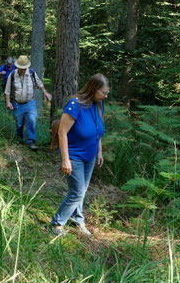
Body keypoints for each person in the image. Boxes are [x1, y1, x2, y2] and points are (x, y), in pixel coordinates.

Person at [50, 73, 109, 237]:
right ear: (93, 89)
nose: (105, 96)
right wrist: (65, 160)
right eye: (103, 92)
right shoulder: (75, 104)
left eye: (107, 93)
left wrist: (100, 151)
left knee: (81, 191)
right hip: (74, 156)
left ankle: (78, 219)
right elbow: (62, 132)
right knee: (76, 193)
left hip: (89, 157)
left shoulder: (98, 105)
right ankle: (57, 222)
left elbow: (98, 130)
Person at [5, 55, 52, 151]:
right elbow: (7, 91)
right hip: (17, 104)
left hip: (30, 103)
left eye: (24, 68)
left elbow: (39, 84)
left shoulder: (31, 73)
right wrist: (8, 102)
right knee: (19, 124)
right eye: (21, 68)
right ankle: (20, 139)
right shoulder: (12, 75)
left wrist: (45, 92)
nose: (23, 70)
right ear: (17, 67)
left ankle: (32, 141)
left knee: (32, 119)